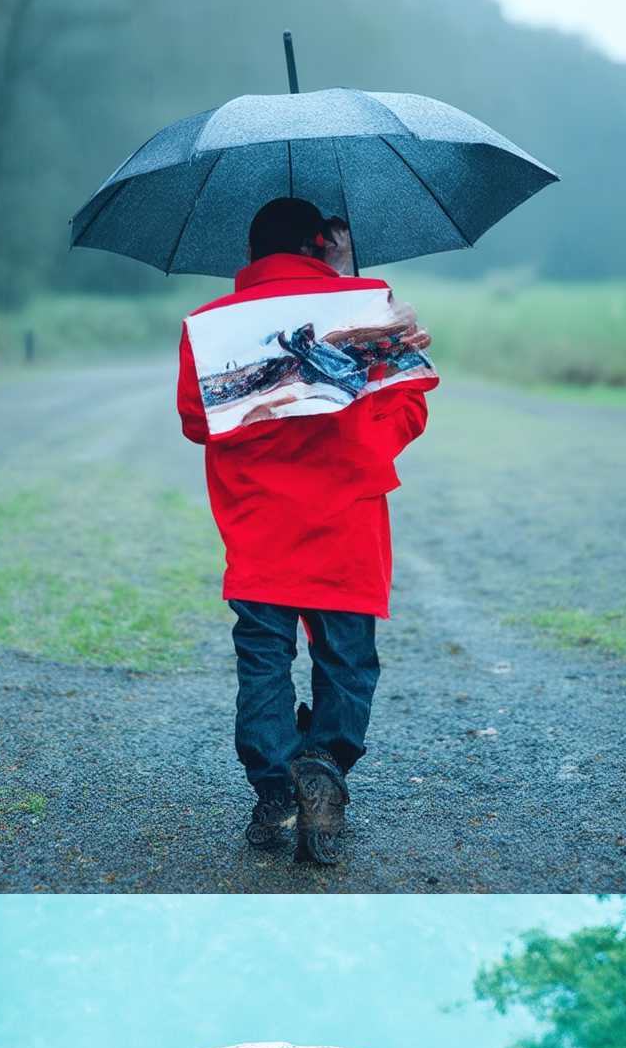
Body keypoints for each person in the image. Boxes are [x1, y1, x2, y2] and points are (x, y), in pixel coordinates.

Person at [176, 197, 435, 864]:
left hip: (258, 528)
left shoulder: (210, 325)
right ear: (324, 241)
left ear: (253, 253)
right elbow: (409, 404)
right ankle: (322, 765)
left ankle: (275, 786)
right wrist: (369, 440)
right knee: (346, 660)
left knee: (263, 663)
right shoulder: (364, 310)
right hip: (347, 526)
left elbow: (198, 422)